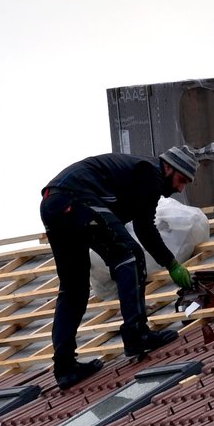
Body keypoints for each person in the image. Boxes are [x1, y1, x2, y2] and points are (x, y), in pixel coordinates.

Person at [38, 146, 199, 389]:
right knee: (129, 256)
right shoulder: (150, 174)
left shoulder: (137, 178)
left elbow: (126, 226)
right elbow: (145, 230)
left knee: (74, 289)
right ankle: (136, 334)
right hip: (74, 198)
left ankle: (64, 367)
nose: (180, 189)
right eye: (181, 180)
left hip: (53, 203)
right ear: (168, 168)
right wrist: (172, 264)